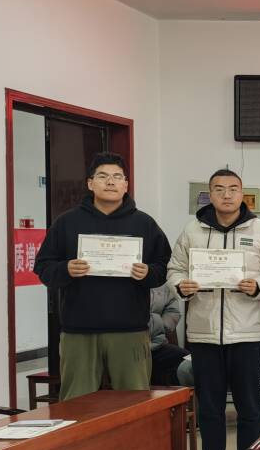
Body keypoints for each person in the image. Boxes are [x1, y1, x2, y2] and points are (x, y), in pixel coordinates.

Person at [167, 168, 260, 450]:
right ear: (210, 194)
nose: (226, 195)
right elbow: (175, 270)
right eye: (219, 189)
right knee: (210, 406)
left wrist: (258, 286)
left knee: (250, 406)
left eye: (233, 189)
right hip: (204, 334)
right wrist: (181, 286)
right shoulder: (192, 231)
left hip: (248, 334)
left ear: (242, 193)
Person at [33, 152, 171, 400]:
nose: (110, 182)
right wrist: (65, 269)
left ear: (126, 184)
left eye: (117, 177)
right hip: (79, 331)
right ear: (90, 183)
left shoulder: (144, 224)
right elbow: (43, 267)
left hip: (130, 330)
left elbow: (163, 267)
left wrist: (148, 273)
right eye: (103, 176)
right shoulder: (67, 222)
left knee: (134, 402)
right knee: (76, 403)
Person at [147, 284, 187, 386]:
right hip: (128, 346)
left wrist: (159, 325)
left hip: (156, 344)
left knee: (189, 364)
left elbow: (173, 311)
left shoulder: (161, 283)